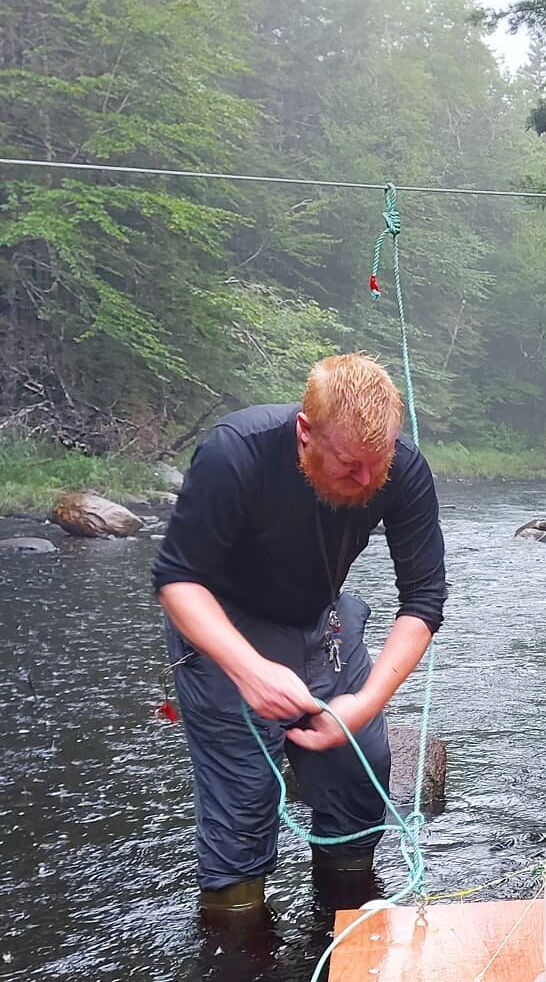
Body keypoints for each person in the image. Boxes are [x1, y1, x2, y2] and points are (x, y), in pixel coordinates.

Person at [153, 353, 446, 913]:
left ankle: (342, 928)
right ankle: (244, 965)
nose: (365, 482)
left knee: (360, 775)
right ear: (305, 433)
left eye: (376, 463)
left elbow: (425, 600)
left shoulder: (403, 468)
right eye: (347, 464)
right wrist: (249, 668)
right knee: (242, 807)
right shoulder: (235, 452)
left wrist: (365, 703)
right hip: (225, 629)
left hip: (325, 622)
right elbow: (177, 579)